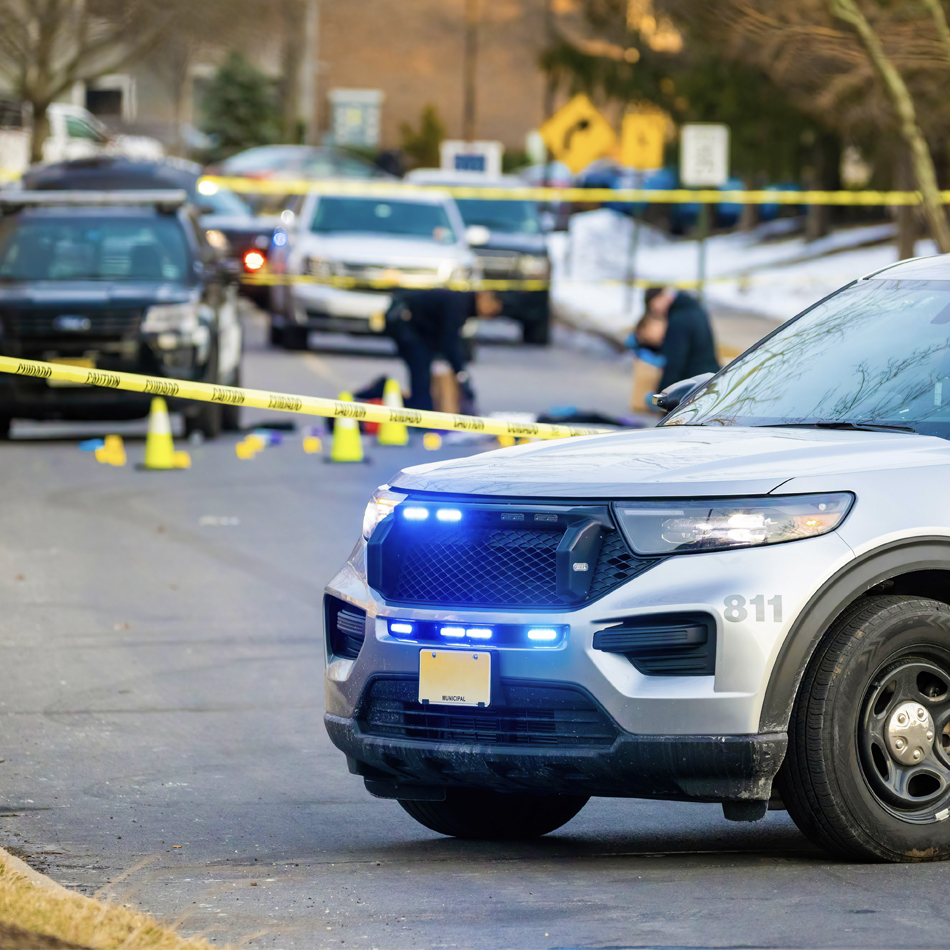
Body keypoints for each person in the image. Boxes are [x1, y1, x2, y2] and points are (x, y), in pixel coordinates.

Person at [384, 288, 501, 412]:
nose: (489, 316)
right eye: (492, 311)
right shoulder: (459, 304)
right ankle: (420, 413)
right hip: (404, 321)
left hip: (411, 325)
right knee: (421, 372)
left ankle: (419, 409)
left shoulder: (461, 303)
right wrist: (459, 371)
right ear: (483, 297)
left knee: (422, 372)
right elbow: (449, 342)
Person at [633, 286, 719, 393]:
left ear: (661, 298)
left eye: (654, 307)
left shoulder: (678, 320)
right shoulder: (693, 308)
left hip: (695, 384)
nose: (657, 311)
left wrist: (661, 395)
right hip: (707, 377)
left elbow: (674, 364)